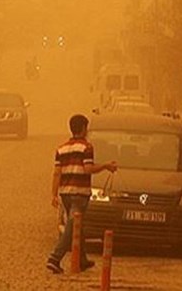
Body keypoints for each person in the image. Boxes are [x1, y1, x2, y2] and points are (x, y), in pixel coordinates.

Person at [46, 114, 117, 275]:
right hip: (80, 193)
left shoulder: (61, 148)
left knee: (78, 226)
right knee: (72, 226)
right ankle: (55, 258)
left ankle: (82, 260)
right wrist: (106, 166)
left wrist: (54, 194)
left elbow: (57, 173)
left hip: (65, 193)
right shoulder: (87, 147)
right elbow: (88, 169)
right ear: (84, 129)